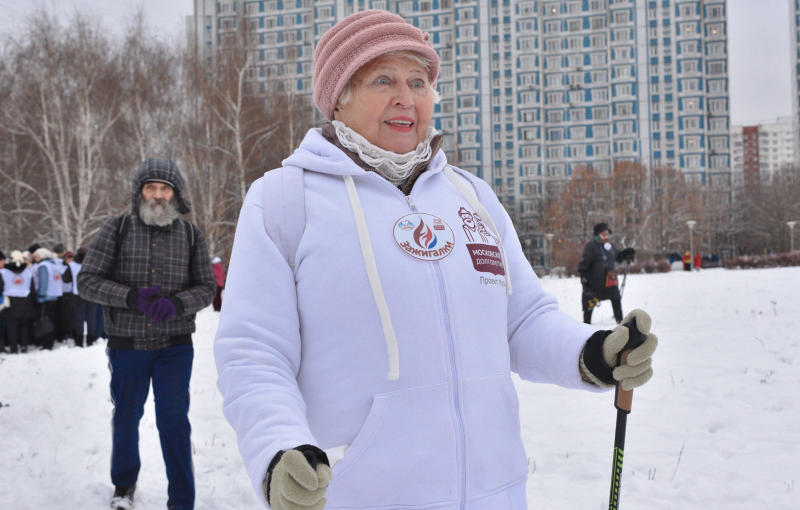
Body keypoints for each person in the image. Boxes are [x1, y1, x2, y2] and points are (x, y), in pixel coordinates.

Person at [214, 10, 659, 510]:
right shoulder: (282, 201)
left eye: (419, 82)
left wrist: (595, 353)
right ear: (338, 97)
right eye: (383, 79)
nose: (406, 97)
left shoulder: (471, 196)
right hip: (356, 496)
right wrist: (278, 451)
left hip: (496, 494)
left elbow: (523, 320)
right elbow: (255, 355)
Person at [78, 158, 215, 510]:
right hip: (128, 346)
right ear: (139, 192)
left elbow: (205, 288)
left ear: (175, 195)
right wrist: (129, 296)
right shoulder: (117, 228)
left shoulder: (191, 234)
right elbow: (87, 281)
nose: (157, 195)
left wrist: (177, 304)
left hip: (174, 347)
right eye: (151, 188)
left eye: (164, 189)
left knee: (174, 423)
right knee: (126, 416)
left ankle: (182, 500)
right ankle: (123, 486)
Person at [578, 223, 630, 325]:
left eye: (607, 234)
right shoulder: (591, 246)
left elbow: (618, 256)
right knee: (589, 305)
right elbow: (583, 265)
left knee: (616, 300)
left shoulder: (609, 246)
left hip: (610, 281)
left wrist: (626, 253)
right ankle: (586, 326)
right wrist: (584, 279)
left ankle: (620, 323)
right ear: (597, 235)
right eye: (603, 234)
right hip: (594, 283)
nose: (606, 237)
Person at [0, 250, 36, 353]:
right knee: (24, 325)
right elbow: (32, 288)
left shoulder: (3, 272)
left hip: (10, 301)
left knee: (11, 326)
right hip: (25, 300)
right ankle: (24, 346)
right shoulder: (28, 271)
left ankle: (13, 347)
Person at [32, 247, 62, 349]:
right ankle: (50, 341)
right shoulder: (54, 265)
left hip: (45, 297)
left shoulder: (43, 266)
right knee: (51, 319)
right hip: (54, 296)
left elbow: (43, 282)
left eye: (36, 256)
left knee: (44, 320)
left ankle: (46, 343)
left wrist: (40, 296)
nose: (35, 258)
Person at [72, 247, 99, 347]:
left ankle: (79, 341)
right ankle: (90, 340)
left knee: (79, 318)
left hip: (77, 294)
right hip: (91, 294)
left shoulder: (72, 265)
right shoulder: (94, 264)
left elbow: (66, 279)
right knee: (91, 318)